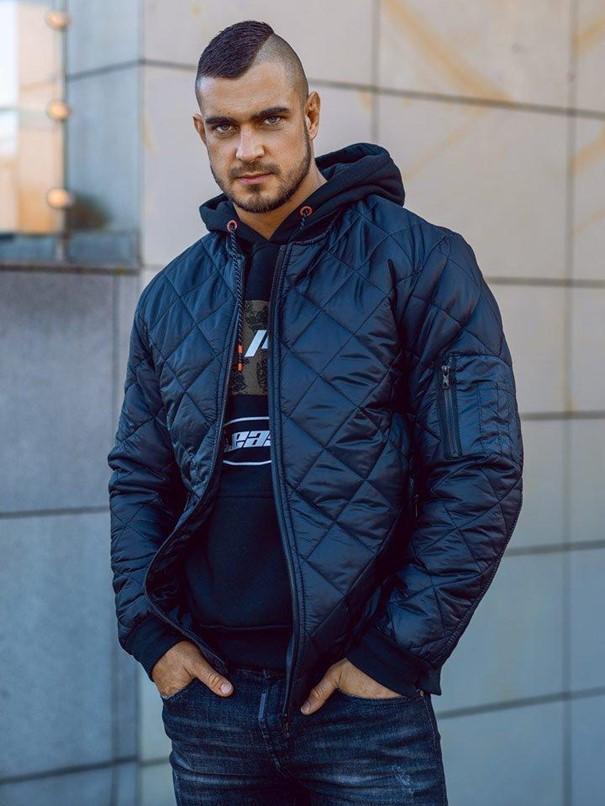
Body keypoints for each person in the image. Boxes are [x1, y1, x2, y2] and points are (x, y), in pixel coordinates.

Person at [107, 18, 524, 805]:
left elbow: (480, 469)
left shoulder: (418, 261)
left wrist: (392, 654)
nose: (248, 147)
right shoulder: (172, 296)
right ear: (200, 132)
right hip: (212, 703)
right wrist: (151, 635)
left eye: (269, 119)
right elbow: (138, 476)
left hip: (361, 703)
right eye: (224, 127)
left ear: (310, 114)